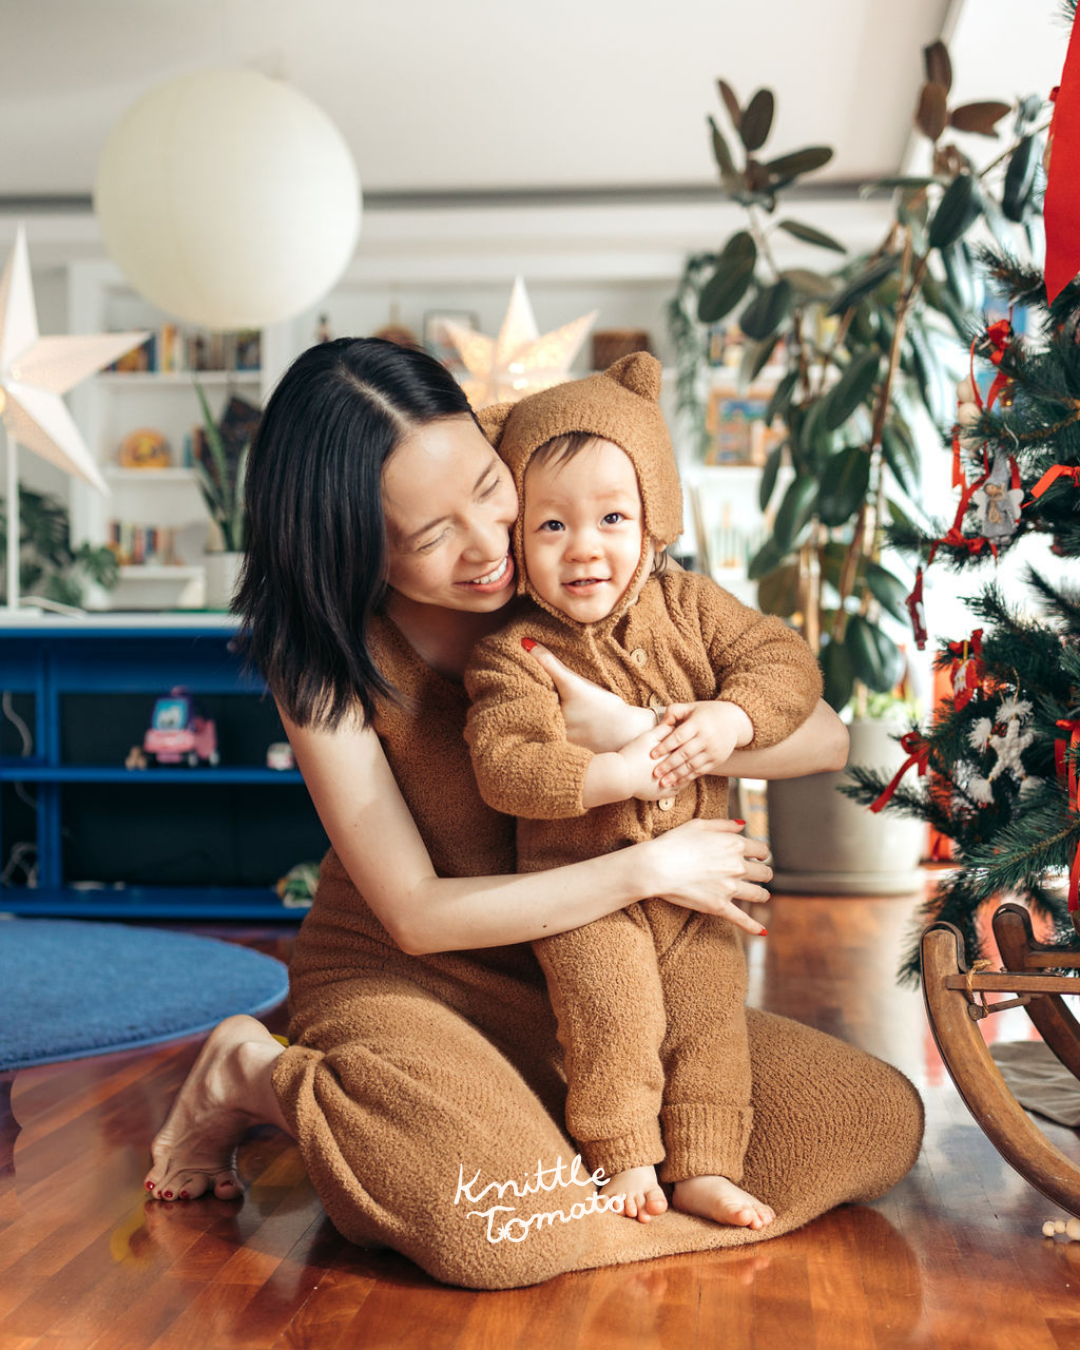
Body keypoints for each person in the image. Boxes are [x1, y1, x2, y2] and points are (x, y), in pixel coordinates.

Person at [143, 337, 924, 1292]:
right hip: (412, 977)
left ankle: (571, 1178)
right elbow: (417, 914)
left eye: (488, 487)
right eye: (432, 535)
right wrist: (646, 868)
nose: (487, 546)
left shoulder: (586, 558)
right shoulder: (325, 665)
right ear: (350, 546)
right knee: (492, 1225)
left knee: (869, 1120)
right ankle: (249, 1073)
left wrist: (636, 734)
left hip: (596, 994)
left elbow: (826, 738)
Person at [463, 353, 822, 1231]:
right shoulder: (512, 653)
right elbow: (504, 764)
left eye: (613, 518)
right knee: (612, 1019)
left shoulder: (691, 605)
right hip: (586, 892)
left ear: (655, 523)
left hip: (700, 890)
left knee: (710, 1023)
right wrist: (614, 773)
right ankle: (623, 1154)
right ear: (516, 542)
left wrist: (733, 718)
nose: (585, 546)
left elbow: (785, 661)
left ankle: (705, 1165)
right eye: (552, 525)